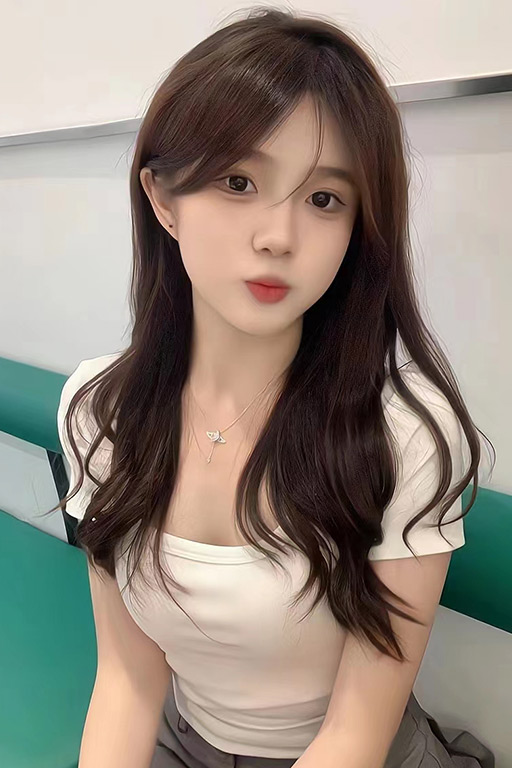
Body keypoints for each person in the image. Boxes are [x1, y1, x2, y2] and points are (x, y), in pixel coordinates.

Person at [47, 6, 495, 768]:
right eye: (239, 181)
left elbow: (355, 734)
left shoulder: (405, 433)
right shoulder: (101, 411)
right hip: (186, 743)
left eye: (324, 199)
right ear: (163, 200)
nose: (278, 237)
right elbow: (126, 681)